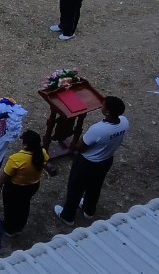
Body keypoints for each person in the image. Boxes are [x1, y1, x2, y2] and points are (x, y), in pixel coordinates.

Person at [55, 96, 128, 224]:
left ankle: (68, 216)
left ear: (107, 112)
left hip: (87, 162)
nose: (101, 106)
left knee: (75, 188)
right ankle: (89, 209)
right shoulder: (124, 122)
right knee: (95, 186)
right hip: (106, 160)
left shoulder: (98, 129)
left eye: (104, 105)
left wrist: (73, 146)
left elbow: (81, 147)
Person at [0, 129, 56, 235]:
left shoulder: (16, 159)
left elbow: (5, 176)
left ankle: (9, 229)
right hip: (32, 186)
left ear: (25, 145)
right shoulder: (41, 152)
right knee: (24, 205)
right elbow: (46, 164)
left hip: (15, 188)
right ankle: (20, 226)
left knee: (10, 207)